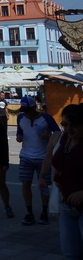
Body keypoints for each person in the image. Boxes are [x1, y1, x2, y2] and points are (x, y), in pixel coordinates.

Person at [43, 104, 83, 258]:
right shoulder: (66, 138)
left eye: (74, 125)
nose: (69, 129)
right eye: (65, 125)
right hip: (67, 205)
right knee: (70, 253)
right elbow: (56, 161)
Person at [17, 95, 60, 226]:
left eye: (29, 110)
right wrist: (19, 136)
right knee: (25, 184)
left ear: (35, 107)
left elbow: (58, 135)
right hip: (25, 156)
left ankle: (44, 212)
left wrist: (48, 137)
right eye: (25, 111)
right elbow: (20, 131)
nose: (27, 114)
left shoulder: (46, 118)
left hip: (43, 157)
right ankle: (29, 212)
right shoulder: (20, 117)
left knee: (43, 186)